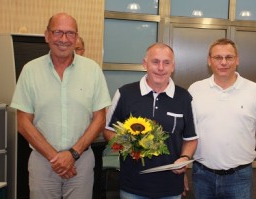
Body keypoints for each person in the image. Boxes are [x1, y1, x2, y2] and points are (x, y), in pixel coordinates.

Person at [10, 12, 111, 199]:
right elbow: (23, 122)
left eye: (70, 33)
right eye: (58, 32)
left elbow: (100, 118)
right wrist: (56, 158)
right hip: (43, 163)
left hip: (81, 162)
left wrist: (72, 154)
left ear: (77, 37)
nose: (64, 39)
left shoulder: (93, 71)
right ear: (47, 35)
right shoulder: (30, 71)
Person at [104, 42, 198, 199]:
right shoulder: (125, 93)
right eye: (155, 62)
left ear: (173, 67)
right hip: (132, 186)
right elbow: (108, 130)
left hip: (170, 187)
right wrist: (129, 147)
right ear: (144, 64)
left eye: (166, 63)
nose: (161, 68)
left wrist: (185, 158)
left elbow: (191, 139)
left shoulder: (184, 98)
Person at [188, 38, 256, 199]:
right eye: (217, 57)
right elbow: (185, 132)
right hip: (202, 174)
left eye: (229, 57)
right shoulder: (195, 90)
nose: (223, 62)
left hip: (239, 177)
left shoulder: (255, 91)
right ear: (209, 61)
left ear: (237, 60)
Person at [74, 35, 108, 199]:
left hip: (90, 145)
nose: (74, 52)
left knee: (93, 188)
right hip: (52, 154)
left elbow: (101, 115)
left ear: (83, 51)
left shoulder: (92, 72)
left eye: (78, 49)